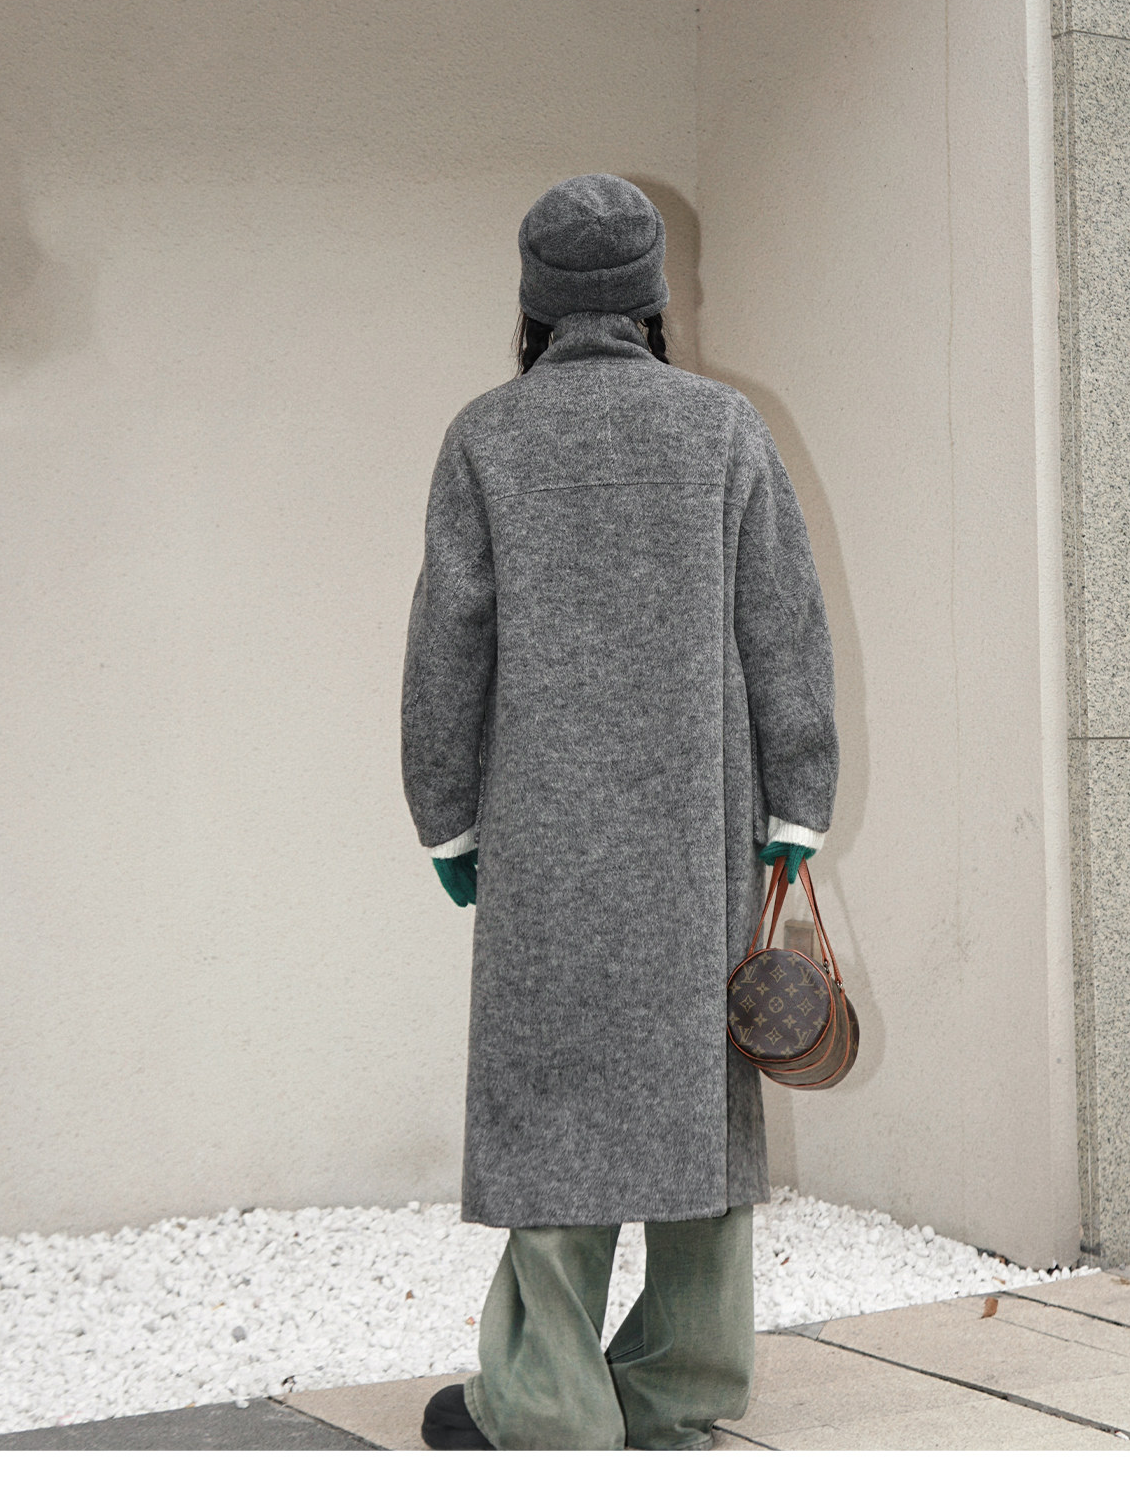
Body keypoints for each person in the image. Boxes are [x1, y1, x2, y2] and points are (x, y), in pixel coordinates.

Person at [400, 173, 838, 1450]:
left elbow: (447, 647)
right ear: (652, 299)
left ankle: (544, 1401)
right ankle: (678, 1386)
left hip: (544, 846)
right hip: (699, 840)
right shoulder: (721, 429)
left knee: (555, 1100)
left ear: (533, 304)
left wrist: (447, 818)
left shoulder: (488, 437)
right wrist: (798, 798)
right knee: (698, 1099)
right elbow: (784, 622)